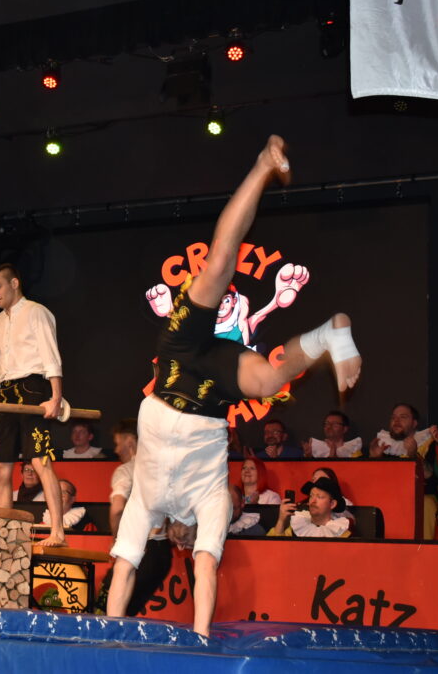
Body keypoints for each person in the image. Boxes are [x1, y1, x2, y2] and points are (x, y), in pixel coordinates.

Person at [107, 135, 362, 637]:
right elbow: (206, 569)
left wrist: (111, 636)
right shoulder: (214, 504)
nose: (185, 543)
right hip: (211, 399)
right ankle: (326, 335)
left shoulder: (144, 505)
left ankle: (264, 165)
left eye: (180, 543)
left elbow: (124, 570)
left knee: (221, 262)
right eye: (187, 543)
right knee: (268, 379)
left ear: (169, 536)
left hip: (177, 364)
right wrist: (202, 634)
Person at [0, 263, 69, 547]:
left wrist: (56, 397)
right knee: (1, 468)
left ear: (14, 283)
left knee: (40, 460)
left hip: (33, 388)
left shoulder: (37, 312)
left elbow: (51, 356)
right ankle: (2, 535)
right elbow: (0, 365)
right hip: (6, 393)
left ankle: (58, 532)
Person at [102, 418, 172, 616]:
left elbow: (117, 508)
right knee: (127, 611)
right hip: (162, 555)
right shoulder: (163, 469)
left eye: (118, 444)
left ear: (130, 442)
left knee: (105, 606)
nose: (116, 450)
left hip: (139, 549)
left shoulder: (126, 471)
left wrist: (116, 538)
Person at [368, 403, 438, 539]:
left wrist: (414, 456)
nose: (396, 421)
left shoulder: (428, 443)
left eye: (403, 417)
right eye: (393, 418)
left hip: (421, 502)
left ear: (414, 423)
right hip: (392, 502)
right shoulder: (384, 446)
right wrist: (375, 459)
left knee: (426, 504)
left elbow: (434, 479)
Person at [269, 477, 351, 538]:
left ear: (332, 504)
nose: (313, 501)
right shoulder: (297, 527)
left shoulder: (341, 533)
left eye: (319, 497)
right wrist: (281, 520)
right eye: (311, 496)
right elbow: (274, 549)